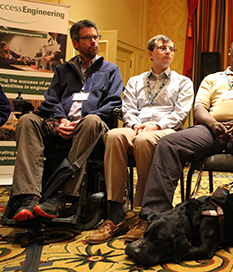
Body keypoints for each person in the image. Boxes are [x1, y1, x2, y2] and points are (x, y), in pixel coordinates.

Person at [126, 36, 233, 268]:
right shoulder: (212, 78)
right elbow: (199, 108)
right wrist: (212, 124)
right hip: (211, 130)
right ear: (229, 51)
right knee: (169, 144)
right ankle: (155, 219)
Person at [9, 19, 123, 221]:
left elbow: (113, 103)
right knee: (27, 120)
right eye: (88, 38)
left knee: (91, 122)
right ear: (75, 43)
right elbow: (51, 100)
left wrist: (83, 120)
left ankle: (62, 195)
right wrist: (61, 119)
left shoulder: (110, 70)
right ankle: (29, 196)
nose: (94, 42)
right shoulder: (63, 70)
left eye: (95, 37)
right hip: (61, 124)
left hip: (92, 127)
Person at [87, 35, 194, 244]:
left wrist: (155, 125)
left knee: (145, 140)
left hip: (166, 130)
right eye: (162, 48)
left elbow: (180, 113)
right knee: (114, 135)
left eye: (172, 48)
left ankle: (146, 212)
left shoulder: (183, 82)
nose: (168, 51)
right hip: (137, 126)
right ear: (150, 53)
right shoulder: (136, 81)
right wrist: (135, 125)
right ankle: (115, 212)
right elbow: (127, 108)